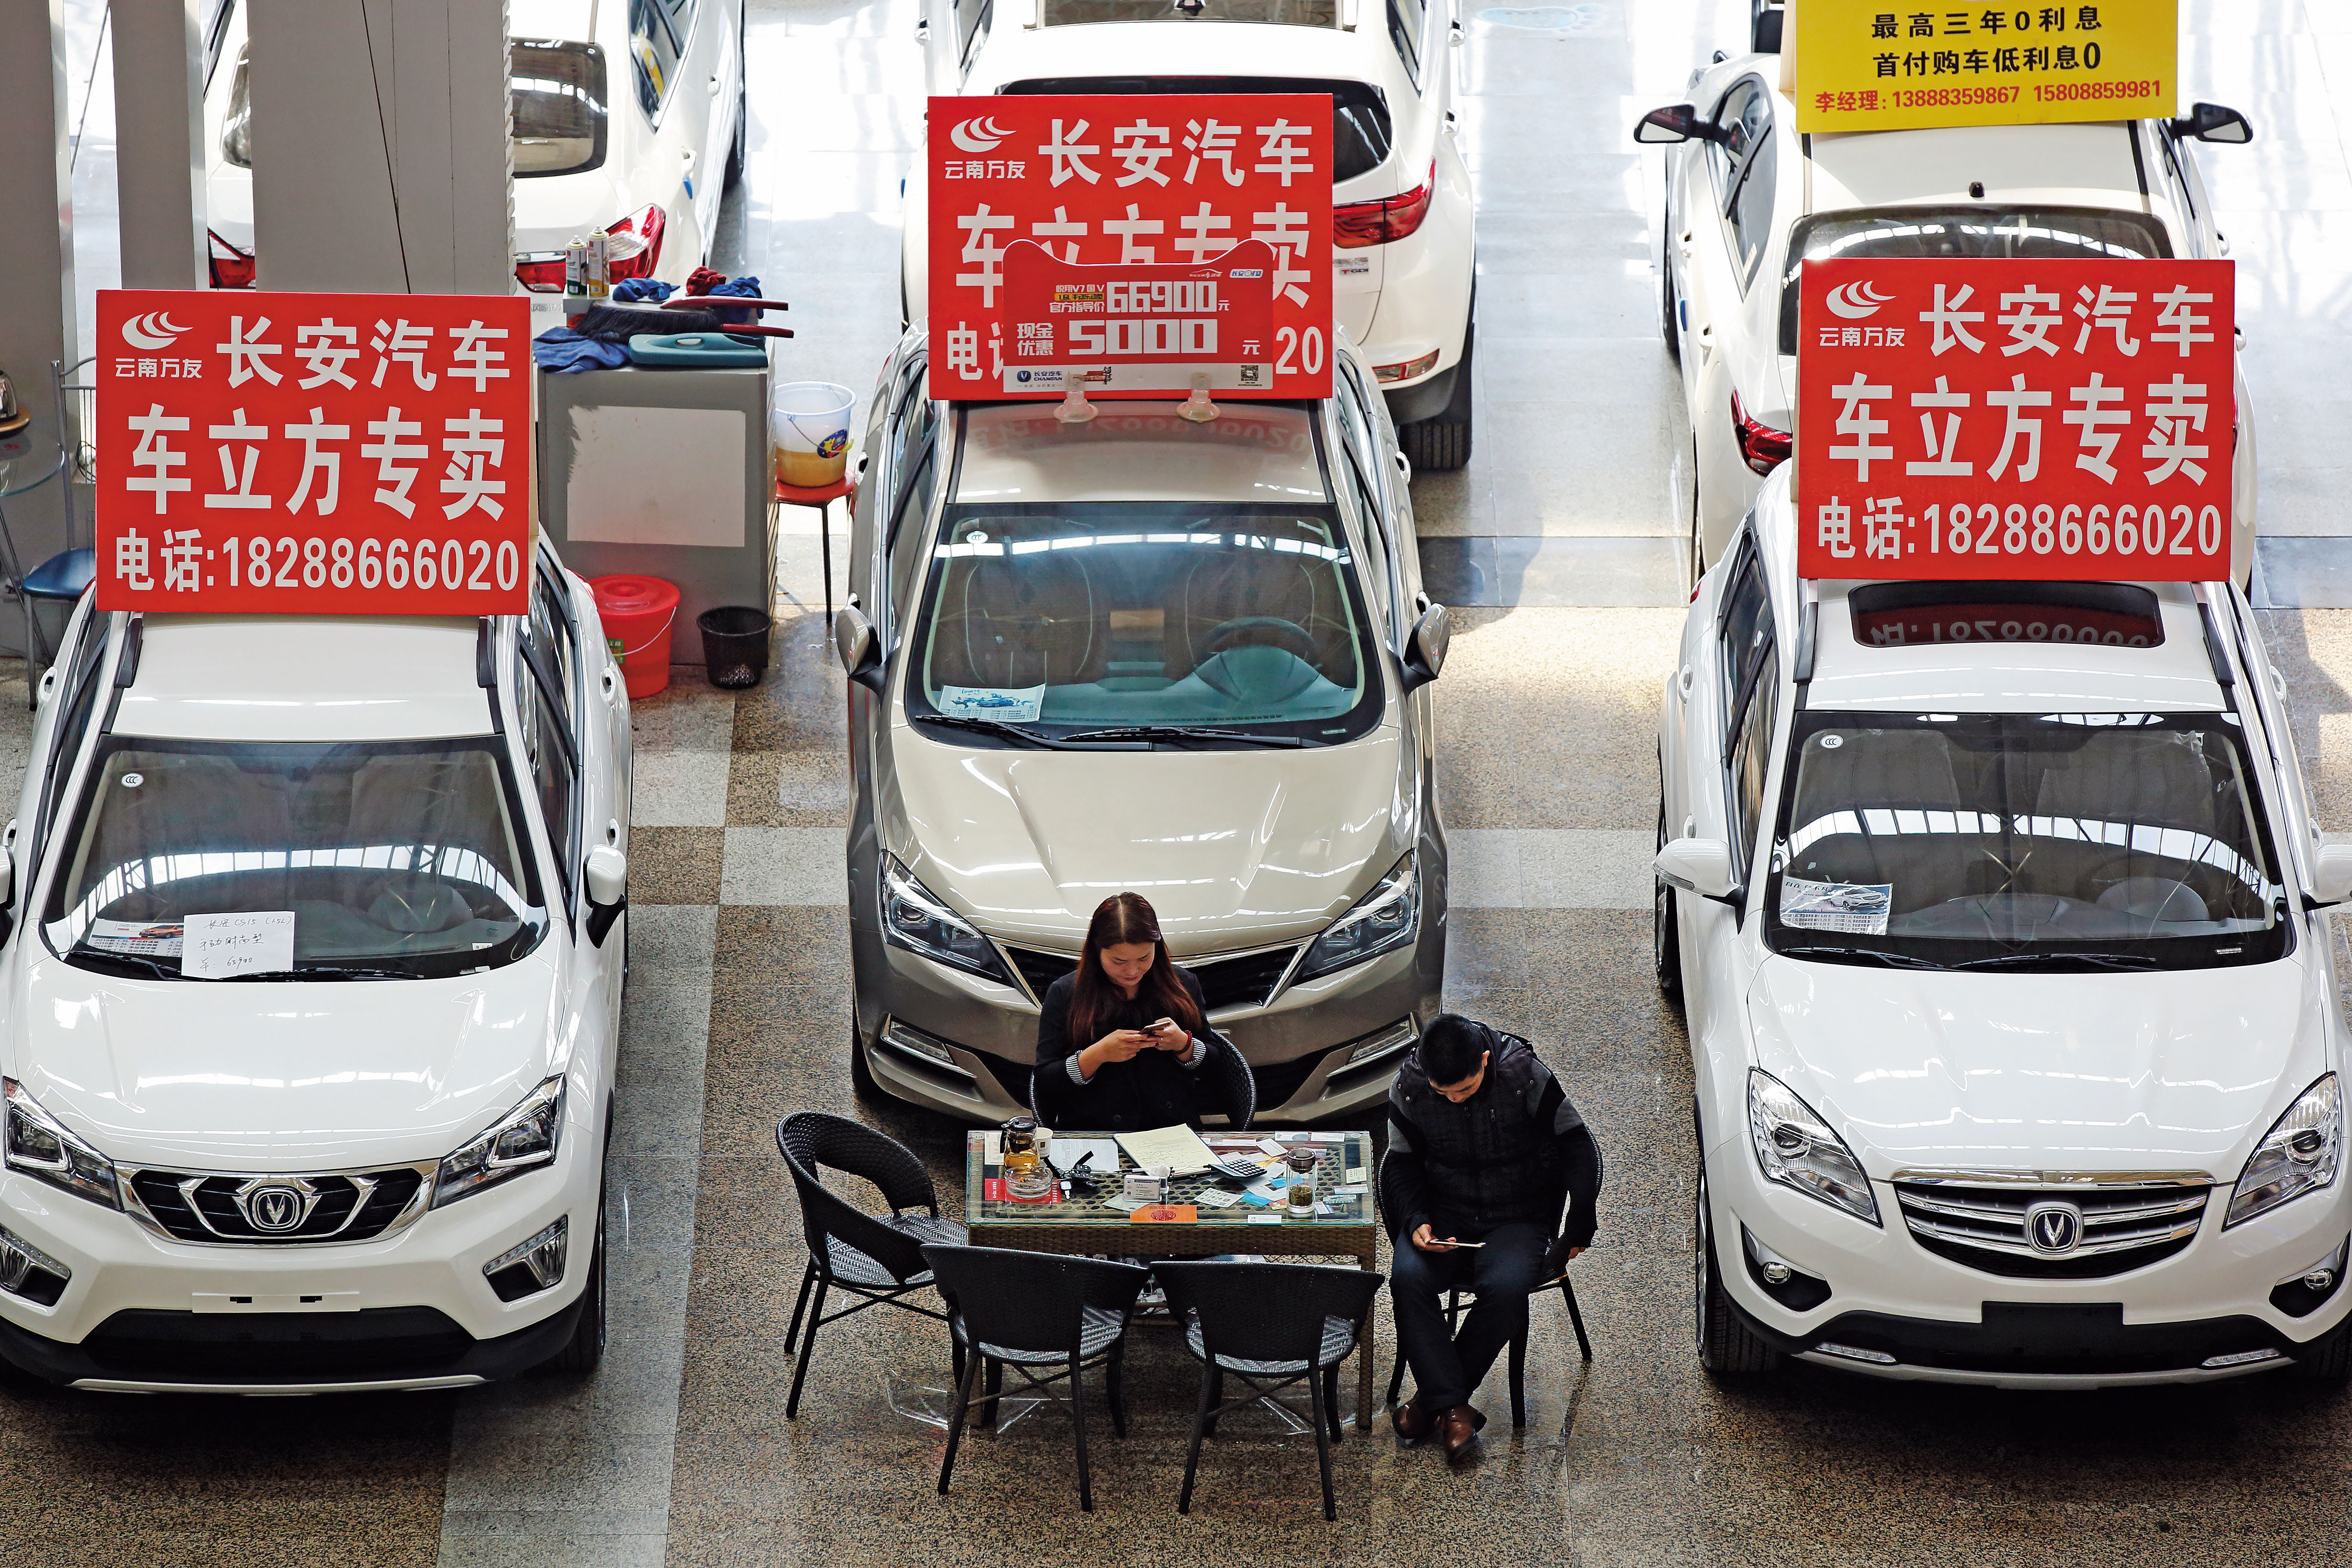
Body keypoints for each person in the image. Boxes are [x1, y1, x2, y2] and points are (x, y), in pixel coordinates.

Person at [1385, 1013, 1602, 1465]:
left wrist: (1580, 1221)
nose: (1453, 1099)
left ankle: (1432, 1403)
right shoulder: (1409, 1085)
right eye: (1442, 1093)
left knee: (1505, 1288)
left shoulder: (1524, 1075)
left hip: (1517, 1215)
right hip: (1444, 1211)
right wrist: (1415, 1220)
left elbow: (1576, 1145)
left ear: (1484, 1061)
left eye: (1463, 1090)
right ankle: (1454, 1409)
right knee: (1407, 1277)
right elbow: (1401, 1165)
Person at [1032, 892, 1232, 1132]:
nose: (1132, 971)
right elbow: (1044, 1083)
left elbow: (1217, 1067)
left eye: (1144, 958)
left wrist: (1184, 1044)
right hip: (1095, 1131)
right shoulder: (1066, 993)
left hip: (1173, 1129)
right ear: (1097, 951)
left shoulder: (1182, 984)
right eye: (1118, 961)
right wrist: (1097, 1054)